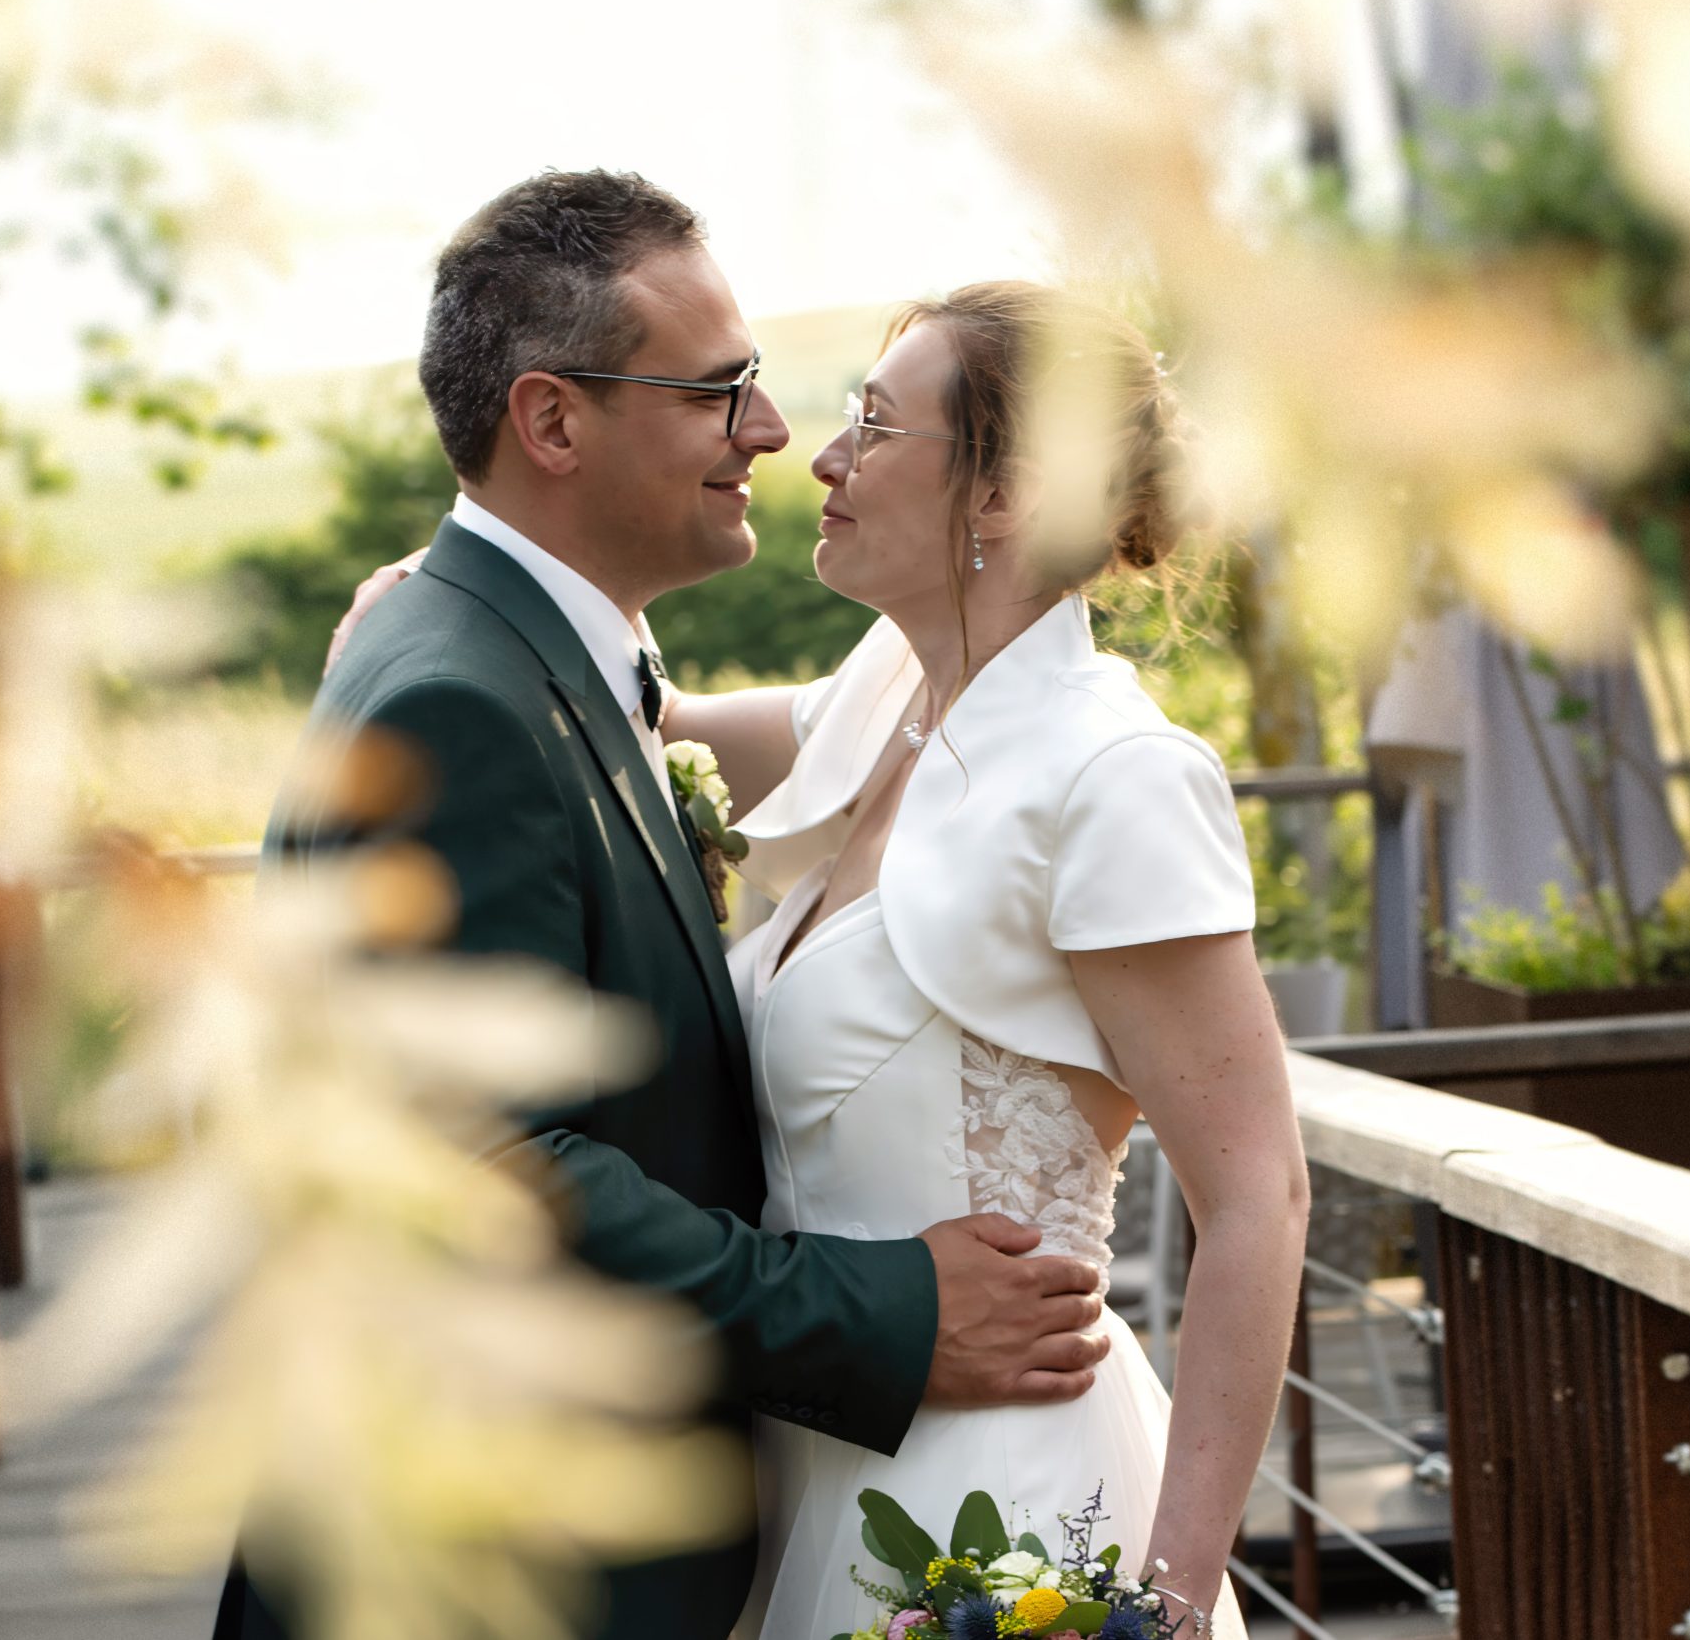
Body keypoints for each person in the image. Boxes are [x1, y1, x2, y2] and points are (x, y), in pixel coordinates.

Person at [333, 278, 1311, 1635]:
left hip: (1010, 1491)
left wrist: (1169, 1598)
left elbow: (1259, 1191)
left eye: (874, 422)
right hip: (815, 1457)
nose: (820, 452)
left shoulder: (1118, 773)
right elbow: (620, 704)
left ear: (1006, 496)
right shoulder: (888, 697)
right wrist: (435, 609)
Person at [221, 172, 1113, 1640]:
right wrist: (880, 1312)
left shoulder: (549, 668)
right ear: (554, 421)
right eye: (720, 392)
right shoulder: (459, 698)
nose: (770, 435)